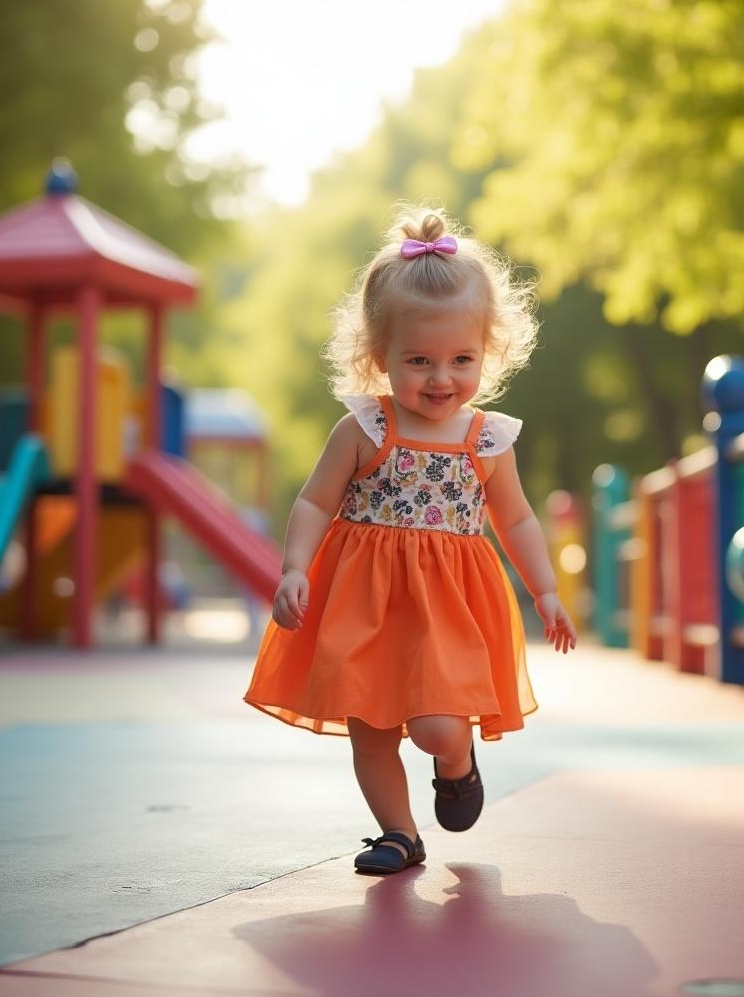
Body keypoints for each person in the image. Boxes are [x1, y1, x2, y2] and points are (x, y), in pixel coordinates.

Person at [243, 205, 577, 876]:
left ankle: (456, 762)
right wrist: (294, 569)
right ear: (379, 356)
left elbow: (515, 520)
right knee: (369, 729)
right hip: (362, 602)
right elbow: (315, 500)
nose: (440, 378)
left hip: (446, 608)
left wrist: (545, 589)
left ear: (489, 352)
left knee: (434, 725)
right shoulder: (365, 428)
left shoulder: (486, 439)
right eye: (418, 360)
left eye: (462, 359)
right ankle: (399, 833)